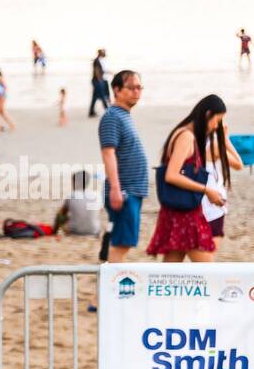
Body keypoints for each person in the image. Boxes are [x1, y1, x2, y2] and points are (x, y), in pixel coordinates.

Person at [147, 94, 230, 263]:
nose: (216, 126)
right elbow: (172, 175)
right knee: (208, 271)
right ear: (207, 114)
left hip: (176, 212)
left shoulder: (182, 133)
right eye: (217, 120)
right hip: (185, 216)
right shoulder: (186, 136)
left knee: (170, 273)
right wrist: (206, 190)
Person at [98, 70, 148, 267]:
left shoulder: (124, 115)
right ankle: (102, 297)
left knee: (122, 241)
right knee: (122, 243)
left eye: (139, 87)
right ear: (117, 90)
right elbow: (108, 153)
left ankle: (105, 295)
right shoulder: (112, 117)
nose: (136, 92)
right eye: (131, 87)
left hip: (133, 190)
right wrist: (116, 189)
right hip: (125, 190)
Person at [201, 99, 244, 250]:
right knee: (208, 257)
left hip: (202, 203)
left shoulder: (195, 140)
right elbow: (239, 164)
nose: (218, 124)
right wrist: (225, 139)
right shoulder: (214, 147)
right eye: (218, 119)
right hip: (213, 207)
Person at [89, 48, 109, 117]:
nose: (105, 54)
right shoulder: (96, 61)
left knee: (95, 97)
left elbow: (102, 70)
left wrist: (111, 72)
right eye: (104, 52)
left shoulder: (100, 60)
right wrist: (100, 80)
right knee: (103, 95)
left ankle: (91, 112)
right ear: (101, 53)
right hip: (97, 81)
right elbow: (96, 71)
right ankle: (108, 111)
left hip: (98, 80)